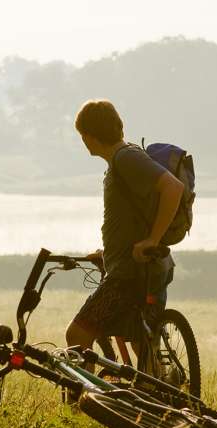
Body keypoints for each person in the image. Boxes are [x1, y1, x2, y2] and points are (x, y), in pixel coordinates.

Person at [65, 100, 184, 356]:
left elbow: (173, 187)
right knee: (141, 344)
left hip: (129, 274)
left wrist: (153, 239)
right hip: (132, 267)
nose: (83, 141)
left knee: (77, 335)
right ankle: (158, 393)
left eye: (82, 134)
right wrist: (107, 252)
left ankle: (85, 397)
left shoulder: (126, 157)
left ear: (91, 135)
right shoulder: (121, 159)